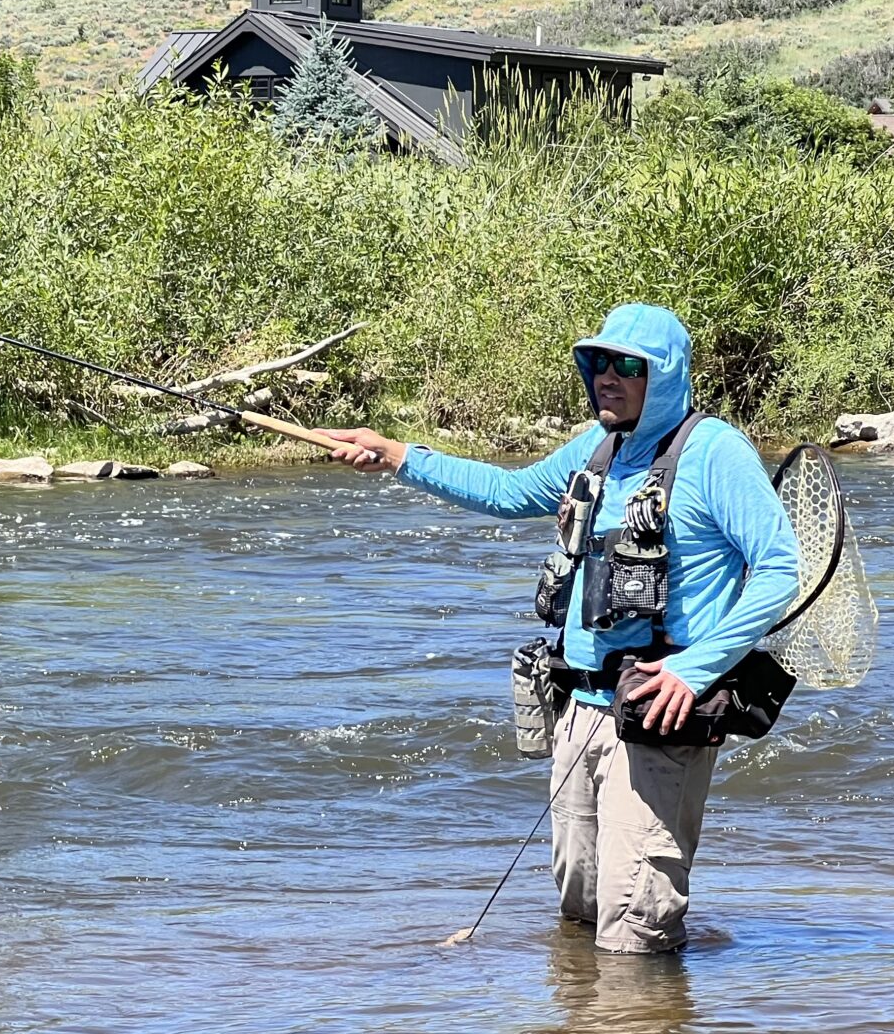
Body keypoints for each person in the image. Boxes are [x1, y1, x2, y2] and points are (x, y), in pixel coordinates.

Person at [323, 304, 799, 954]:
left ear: (663, 375)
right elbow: (509, 491)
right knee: (581, 911)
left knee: (636, 931)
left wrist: (694, 669)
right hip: (580, 710)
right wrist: (398, 454)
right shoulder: (597, 447)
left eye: (626, 365)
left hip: (657, 718)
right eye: (596, 361)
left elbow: (779, 571)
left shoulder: (716, 453)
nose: (606, 376)